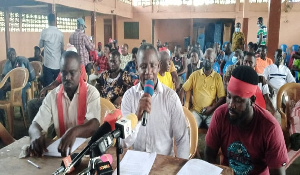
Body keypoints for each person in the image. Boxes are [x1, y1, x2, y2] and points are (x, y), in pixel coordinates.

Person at [205, 66, 288, 175]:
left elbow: (278, 173)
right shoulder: (220, 115)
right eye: (229, 97)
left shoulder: (270, 128)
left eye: (238, 100)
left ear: (252, 100)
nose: (231, 105)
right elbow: (209, 155)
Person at [121, 43, 189, 159]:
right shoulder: (129, 97)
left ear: (158, 66)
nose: (148, 71)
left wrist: (179, 167)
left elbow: (182, 139)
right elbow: (124, 142)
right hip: (138, 162)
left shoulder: (171, 98)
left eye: (152, 65)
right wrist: (137, 117)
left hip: (163, 164)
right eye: (143, 66)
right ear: (137, 67)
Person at [29, 51, 100, 157]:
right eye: (64, 72)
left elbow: (94, 125)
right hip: (62, 152)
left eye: (72, 73)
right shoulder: (52, 96)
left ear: (80, 72)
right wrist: (35, 134)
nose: (67, 77)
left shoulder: (91, 93)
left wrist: (74, 132)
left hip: (86, 152)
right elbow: (35, 125)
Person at [180, 48, 226, 128]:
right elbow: (183, 89)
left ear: (214, 60)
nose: (206, 60)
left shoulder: (217, 77)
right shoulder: (195, 75)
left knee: (216, 130)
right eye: (205, 58)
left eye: (209, 58)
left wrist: (212, 108)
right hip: (196, 111)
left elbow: (222, 97)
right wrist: (181, 106)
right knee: (188, 129)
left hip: (210, 112)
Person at [0, 48, 36, 125]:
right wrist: (4, 82)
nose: (11, 55)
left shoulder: (21, 61)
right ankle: (2, 113)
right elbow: (4, 75)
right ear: (7, 56)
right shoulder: (7, 63)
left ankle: (24, 111)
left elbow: (22, 78)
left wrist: (9, 84)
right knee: (1, 89)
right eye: (9, 54)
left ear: (15, 54)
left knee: (21, 90)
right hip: (12, 84)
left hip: (25, 83)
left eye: (13, 53)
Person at [39, 13, 64, 87]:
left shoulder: (45, 32)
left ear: (48, 21)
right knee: (58, 86)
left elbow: (40, 45)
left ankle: (48, 98)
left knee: (48, 86)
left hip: (48, 64)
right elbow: (62, 49)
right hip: (58, 64)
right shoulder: (60, 34)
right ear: (55, 20)